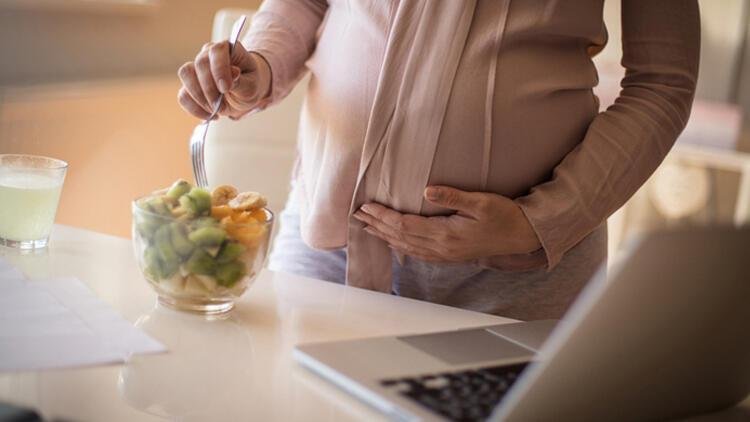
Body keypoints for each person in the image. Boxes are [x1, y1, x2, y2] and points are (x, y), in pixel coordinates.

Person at [177, 0, 700, 320]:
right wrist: (261, 65)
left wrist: (541, 223)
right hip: (327, 248)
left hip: (519, 280)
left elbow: (663, 82)